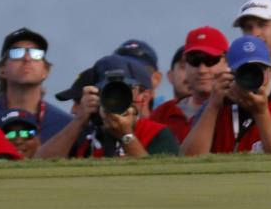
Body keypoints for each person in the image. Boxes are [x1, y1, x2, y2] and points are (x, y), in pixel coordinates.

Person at [182, 35, 271, 155]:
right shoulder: (217, 102)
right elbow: (189, 159)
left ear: (270, 70)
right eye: (244, 70)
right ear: (230, 73)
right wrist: (213, 106)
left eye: (259, 69)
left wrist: (261, 114)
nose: (251, 76)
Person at [38, 55, 179, 158]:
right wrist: (79, 120)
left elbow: (158, 181)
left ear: (143, 97)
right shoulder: (84, 134)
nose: (116, 96)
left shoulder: (157, 133)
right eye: (108, 89)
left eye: (125, 89)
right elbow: (40, 167)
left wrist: (126, 136)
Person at [0, 28, 72, 141]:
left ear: (46, 71)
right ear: (2, 69)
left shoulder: (66, 125)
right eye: (17, 53)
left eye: (36, 54)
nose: (27, 58)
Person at [150, 26, 230, 143]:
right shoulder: (162, 114)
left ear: (227, 63)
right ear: (186, 66)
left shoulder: (239, 110)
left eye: (210, 60)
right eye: (194, 60)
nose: (202, 70)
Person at [114, 39, 163, 111]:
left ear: (156, 78)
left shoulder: (169, 115)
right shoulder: (106, 111)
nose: (127, 77)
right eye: (122, 70)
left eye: (137, 71)